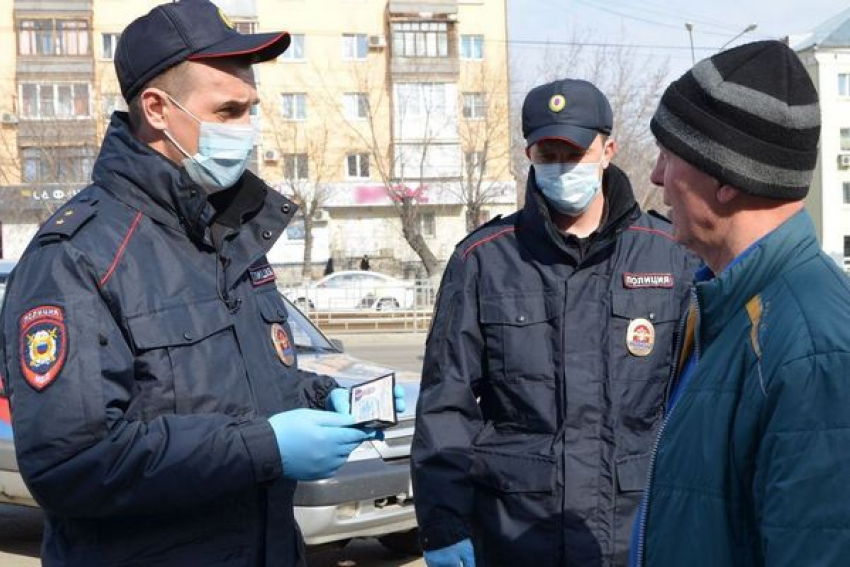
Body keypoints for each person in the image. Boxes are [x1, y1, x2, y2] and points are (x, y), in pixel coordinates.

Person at [0, 1, 402, 565]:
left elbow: (225, 382)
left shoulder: (225, 234)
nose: (248, 129)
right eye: (229, 111)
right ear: (159, 109)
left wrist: (325, 397)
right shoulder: (78, 256)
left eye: (251, 110)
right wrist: (267, 447)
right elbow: (69, 465)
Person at [411, 78, 698, 567]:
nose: (562, 166)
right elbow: (446, 404)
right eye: (547, 153)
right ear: (530, 155)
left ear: (608, 150)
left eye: (575, 151)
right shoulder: (483, 260)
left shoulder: (672, 253)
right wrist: (443, 523)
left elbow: (698, 401)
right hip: (519, 534)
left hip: (637, 530)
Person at [631, 40, 850, 566]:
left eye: (669, 156)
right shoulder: (730, 306)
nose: (658, 177)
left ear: (726, 177)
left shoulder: (812, 347)